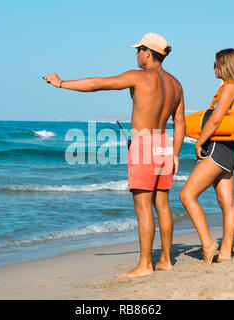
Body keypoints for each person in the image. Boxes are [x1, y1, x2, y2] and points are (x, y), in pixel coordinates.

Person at [44, 33, 186, 278]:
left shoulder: (139, 77)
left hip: (143, 145)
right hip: (163, 144)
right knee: (162, 205)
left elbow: (98, 83)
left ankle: (144, 266)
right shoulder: (176, 84)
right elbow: (180, 123)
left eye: (139, 50)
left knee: (143, 208)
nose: (136, 54)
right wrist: (174, 153)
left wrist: (61, 83)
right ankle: (165, 260)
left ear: (148, 52)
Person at [180, 48, 234, 265]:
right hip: (231, 150)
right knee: (227, 203)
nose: (213, 68)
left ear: (225, 66)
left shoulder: (228, 88)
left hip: (218, 149)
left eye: (216, 64)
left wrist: (200, 142)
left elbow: (215, 120)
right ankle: (225, 253)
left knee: (187, 195)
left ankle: (208, 243)